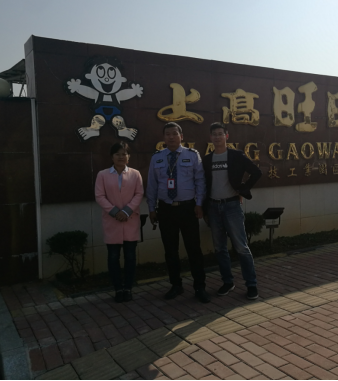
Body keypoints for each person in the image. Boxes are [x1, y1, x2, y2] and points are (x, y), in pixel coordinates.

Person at [146, 122, 210, 303]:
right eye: (167, 134)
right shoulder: (157, 158)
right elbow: (151, 185)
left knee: (194, 249)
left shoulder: (192, 155)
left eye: (175, 133)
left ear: (181, 136)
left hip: (187, 208)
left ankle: (200, 287)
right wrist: (151, 208)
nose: (171, 137)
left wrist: (199, 204)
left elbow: (200, 181)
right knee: (170, 250)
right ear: (163, 137)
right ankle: (176, 285)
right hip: (165, 209)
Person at [203, 122, 262, 300]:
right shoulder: (207, 160)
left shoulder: (236, 156)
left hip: (231, 207)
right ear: (210, 137)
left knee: (241, 247)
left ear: (226, 136)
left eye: (220, 134)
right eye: (214, 134)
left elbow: (256, 172)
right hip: (213, 207)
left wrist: (242, 190)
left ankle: (251, 284)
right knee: (220, 249)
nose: (217, 137)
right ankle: (228, 282)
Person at [95, 142, 144, 303]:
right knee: (113, 257)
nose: (121, 157)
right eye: (117, 154)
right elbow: (99, 196)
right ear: (112, 157)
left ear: (129, 157)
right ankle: (118, 289)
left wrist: (127, 211)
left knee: (130, 257)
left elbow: (139, 194)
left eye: (124, 154)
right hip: (112, 221)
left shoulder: (135, 174)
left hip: (130, 220)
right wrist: (115, 212)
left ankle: (128, 288)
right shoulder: (102, 175)